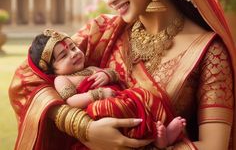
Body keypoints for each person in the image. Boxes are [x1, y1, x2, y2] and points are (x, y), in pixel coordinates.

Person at [9, 0, 236, 150]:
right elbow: (28, 79)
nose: (109, 0)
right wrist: (81, 126)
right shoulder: (104, 32)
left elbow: (214, 146)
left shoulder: (210, 52)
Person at [29, 28, 186, 149]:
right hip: (99, 110)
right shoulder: (62, 79)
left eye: (73, 47)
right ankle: (152, 139)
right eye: (63, 56)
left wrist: (108, 75)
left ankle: (156, 132)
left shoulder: (90, 68)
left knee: (142, 94)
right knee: (109, 106)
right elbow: (71, 101)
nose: (73, 54)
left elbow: (114, 74)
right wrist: (98, 94)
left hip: (121, 96)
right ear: (51, 70)